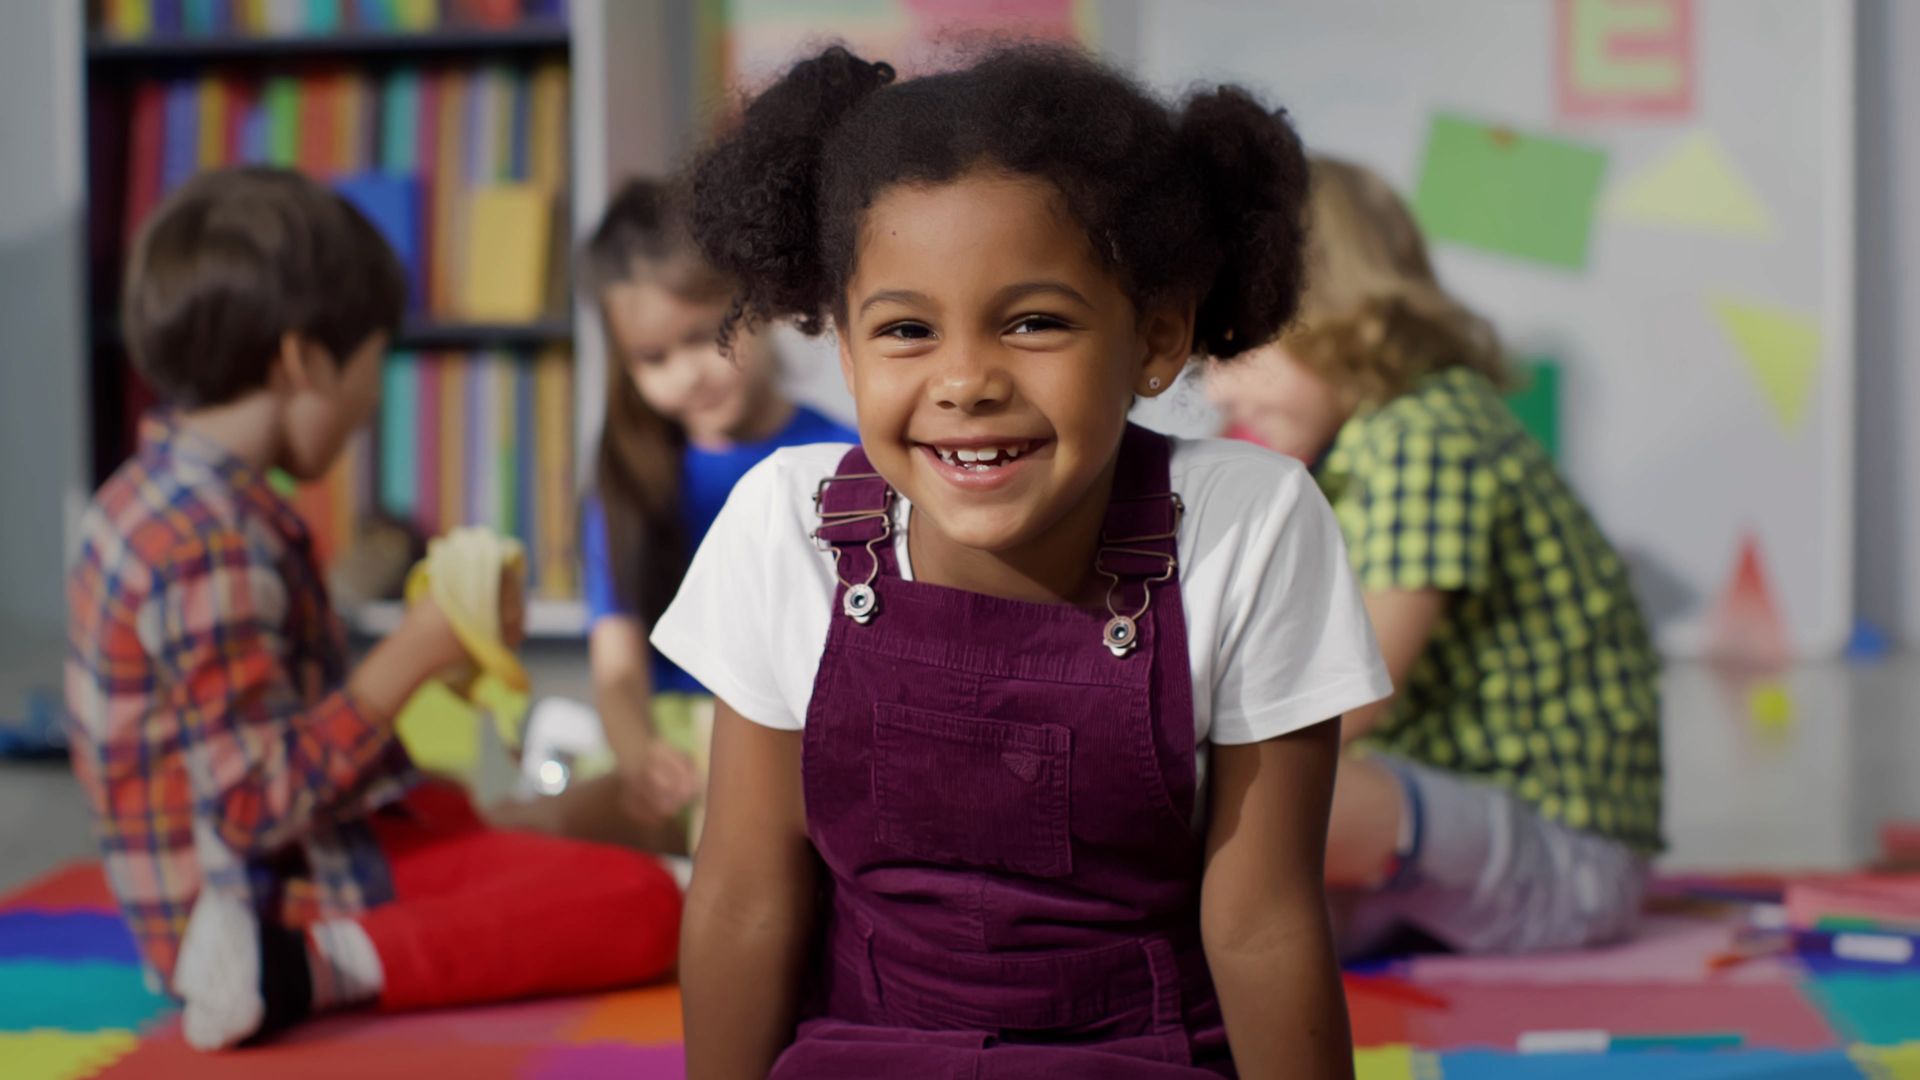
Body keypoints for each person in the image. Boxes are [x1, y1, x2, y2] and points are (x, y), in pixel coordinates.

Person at [655, 45, 1392, 1078]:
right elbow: (743, 895)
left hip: (1148, 1057)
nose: (964, 381)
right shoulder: (788, 523)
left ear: (1157, 337)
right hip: (863, 1056)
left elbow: (1264, 921)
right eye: (906, 330)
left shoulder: (1247, 523)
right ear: (848, 351)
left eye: (1034, 322)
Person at [65, 167, 681, 1051]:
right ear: (303, 361)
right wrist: (420, 648)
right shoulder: (213, 541)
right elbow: (252, 804)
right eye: (370, 367)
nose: (369, 405)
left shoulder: (150, 499)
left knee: (466, 812)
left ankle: (514, 835)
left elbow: (262, 742)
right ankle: (304, 968)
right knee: (643, 902)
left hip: (289, 864)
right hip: (254, 909)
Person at [1207, 157, 1663, 958]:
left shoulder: (1426, 438)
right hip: (1455, 837)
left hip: (1566, 859)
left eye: (1237, 351)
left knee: (1244, 797)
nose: (1217, 391)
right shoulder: (1361, 446)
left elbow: (1354, 695)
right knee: (1225, 917)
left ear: (1330, 313)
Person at [493, 177, 855, 851]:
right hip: (671, 750)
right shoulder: (628, 481)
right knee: (534, 829)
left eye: (703, 336)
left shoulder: (843, 459)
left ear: (760, 302)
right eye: (652, 357)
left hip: (803, 739)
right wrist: (638, 753)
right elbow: (618, 665)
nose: (685, 372)